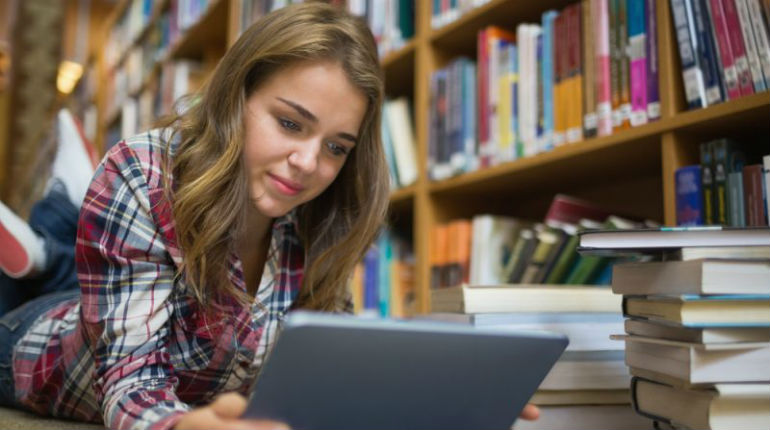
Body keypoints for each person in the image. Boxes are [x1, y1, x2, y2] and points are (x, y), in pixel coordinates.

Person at [0, 3, 540, 429]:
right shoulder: (141, 172)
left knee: (80, 262)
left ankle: (56, 228)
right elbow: (131, 379)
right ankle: (56, 219)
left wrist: (431, 399)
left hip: (118, 290)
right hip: (34, 346)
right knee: (41, 276)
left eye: (336, 148)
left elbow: (329, 371)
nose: (308, 164)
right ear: (236, 96)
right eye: (289, 124)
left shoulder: (320, 215)